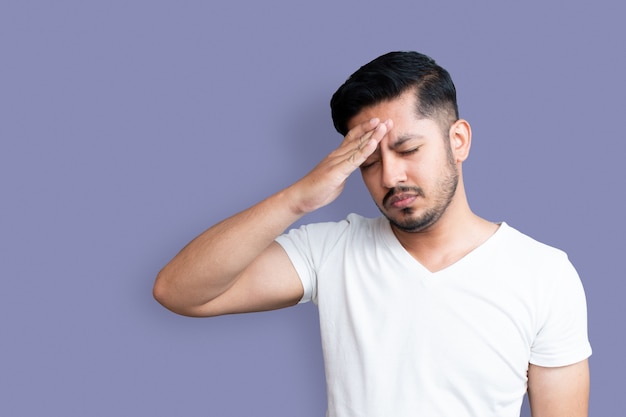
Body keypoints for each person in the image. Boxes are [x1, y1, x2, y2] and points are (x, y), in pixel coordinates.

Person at [153, 51, 591, 417]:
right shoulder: (330, 250)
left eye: (408, 149)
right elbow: (179, 290)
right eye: (368, 162)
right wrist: (297, 199)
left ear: (458, 140)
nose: (390, 175)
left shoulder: (544, 274)